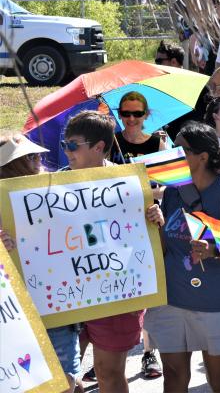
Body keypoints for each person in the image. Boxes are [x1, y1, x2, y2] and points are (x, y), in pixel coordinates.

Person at [143, 122, 220, 393]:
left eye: (180, 149)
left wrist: (214, 251)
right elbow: (164, 249)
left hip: (216, 303)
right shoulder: (173, 190)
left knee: (218, 381)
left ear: (203, 157)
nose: (172, 153)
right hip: (172, 301)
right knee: (172, 377)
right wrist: (157, 224)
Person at [60, 111, 145, 393]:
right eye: (64, 145)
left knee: (108, 373)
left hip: (114, 292)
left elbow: (144, 239)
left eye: (73, 145)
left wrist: (154, 216)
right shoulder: (50, 186)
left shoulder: (128, 185)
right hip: (66, 295)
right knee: (64, 378)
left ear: (98, 147)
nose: (67, 151)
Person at [0, 134, 80, 393]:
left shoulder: (56, 190)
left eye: (36, 156)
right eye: (31, 158)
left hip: (55, 305)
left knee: (66, 380)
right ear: (14, 166)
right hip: (14, 315)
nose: (40, 161)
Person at [107, 91, 165, 377]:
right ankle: (105, 356)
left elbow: (167, 184)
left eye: (136, 114)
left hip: (148, 220)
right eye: (125, 114)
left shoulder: (158, 142)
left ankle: (148, 352)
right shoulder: (110, 141)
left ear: (146, 115)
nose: (130, 120)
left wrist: (145, 189)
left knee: (147, 287)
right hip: (115, 224)